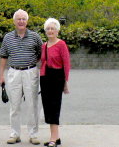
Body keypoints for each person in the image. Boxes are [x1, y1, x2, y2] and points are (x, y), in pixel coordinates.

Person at [0, 9, 42, 145]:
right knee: (14, 104)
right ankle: (14, 133)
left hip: (31, 72)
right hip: (14, 72)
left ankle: (33, 134)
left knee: (32, 104)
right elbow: (4, 56)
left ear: (27, 21)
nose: (21, 21)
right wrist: (1, 75)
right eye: (19, 19)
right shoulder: (8, 37)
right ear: (14, 21)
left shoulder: (35, 37)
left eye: (23, 19)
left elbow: (41, 55)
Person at [39, 18, 70, 147]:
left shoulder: (61, 44)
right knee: (47, 107)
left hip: (57, 77)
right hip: (45, 77)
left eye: (53, 28)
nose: (50, 31)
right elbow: (42, 62)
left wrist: (65, 81)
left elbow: (66, 64)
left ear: (57, 30)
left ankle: (53, 138)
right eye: (48, 29)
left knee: (54, 106)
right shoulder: (44, 45)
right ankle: (55, 137)